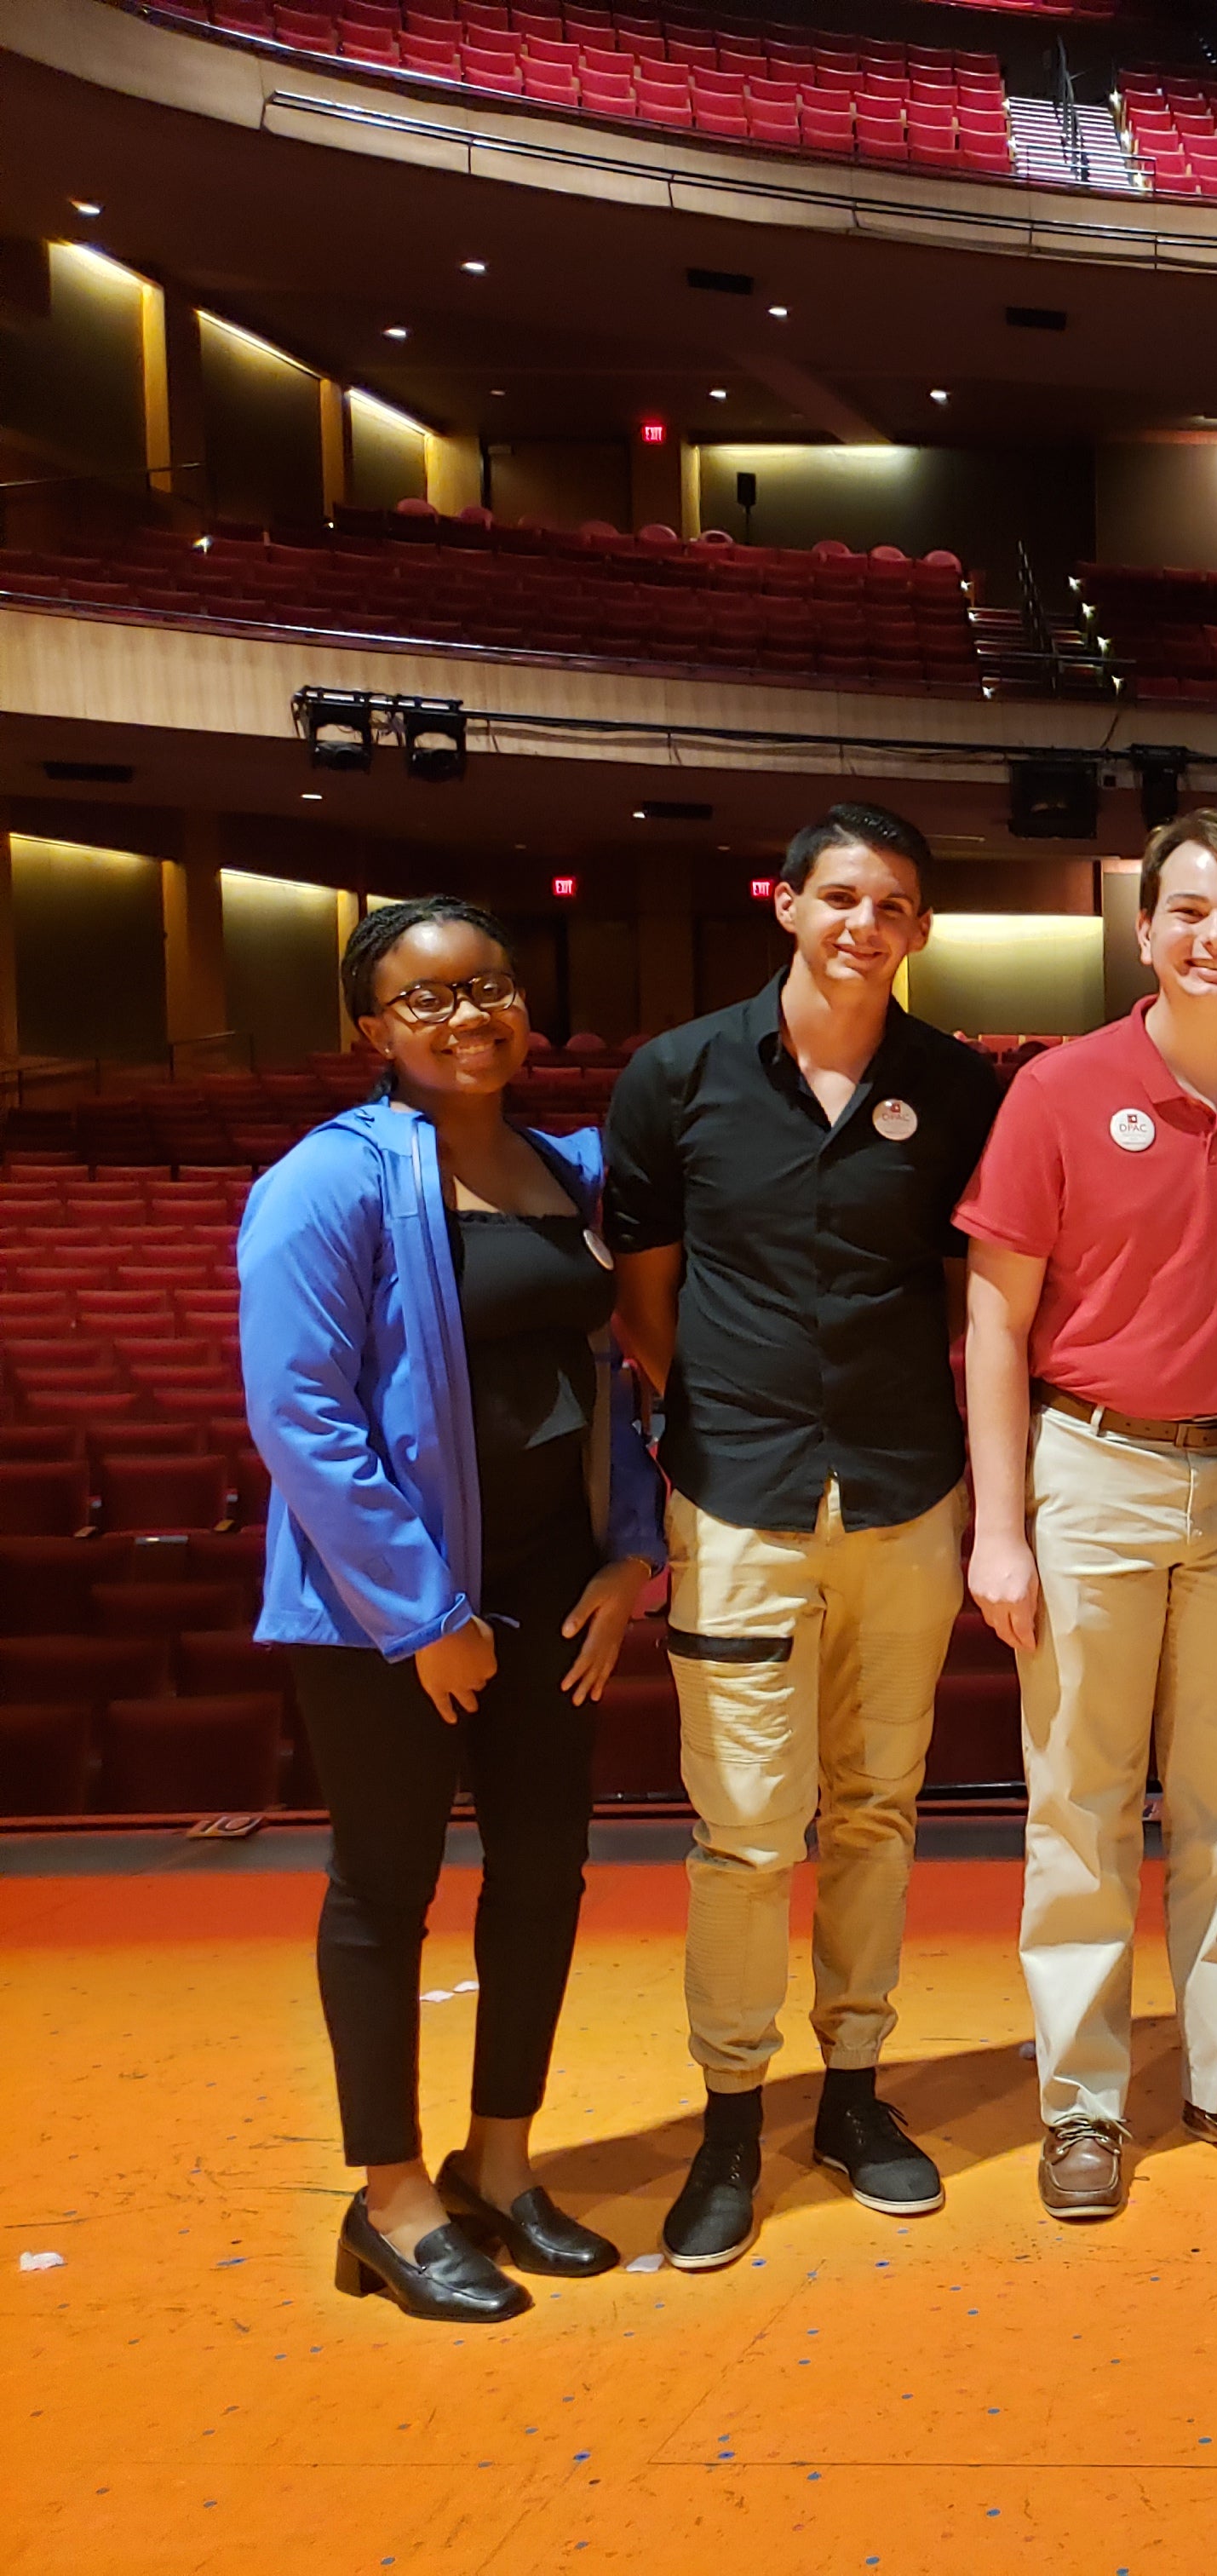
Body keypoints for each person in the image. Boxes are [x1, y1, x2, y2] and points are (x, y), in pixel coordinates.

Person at [241, 897, 663, 2323]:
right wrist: (426, 1616)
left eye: (485, 988)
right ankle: (392, 2197)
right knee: (386, 1891)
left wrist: (628, 1551)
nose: (466, 1016)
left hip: (558, 1588)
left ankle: (500, 2163)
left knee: (543, 1879)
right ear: (372, 1029)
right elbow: (300, 1415)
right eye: (424, 1001)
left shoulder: (567, 1169)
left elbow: (605, 1378)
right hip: (388, 1612)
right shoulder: (330, 1181)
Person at [603, 801, 1002, 2271]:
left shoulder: (958, 1089)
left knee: (879, 1813)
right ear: (786, 903)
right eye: (841, 897)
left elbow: (979, 1297)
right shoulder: (679, 1078)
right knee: (748, 1830)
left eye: (893, 906)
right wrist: (726, 1417)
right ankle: (727, 2119)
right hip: (744, 1496)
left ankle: (853, 2096)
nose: (864, 926)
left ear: (918, 932)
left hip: (905, 1495)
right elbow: (644, 1301)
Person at [959, 812, 1217, 2218]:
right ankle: (1081, 2100)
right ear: (1145, 933)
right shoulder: (1060, 1091)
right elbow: (996, 1322)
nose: (1214, 938)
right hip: (1094, 1469)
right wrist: (1000, 1528)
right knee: (1081, 1802)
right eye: (1189, 911)